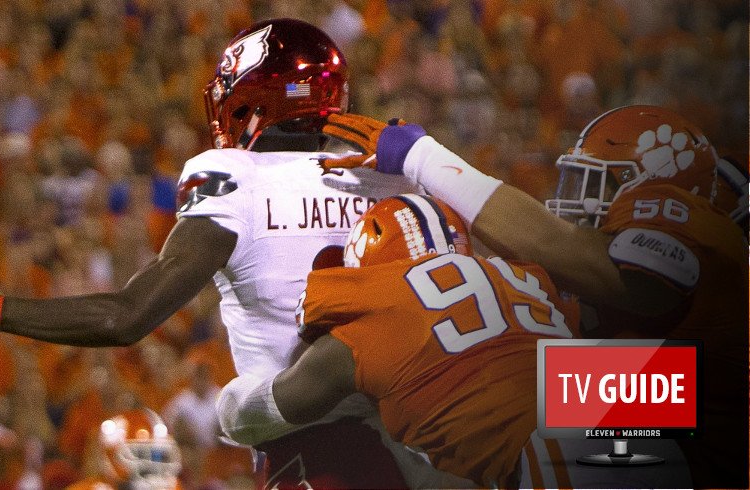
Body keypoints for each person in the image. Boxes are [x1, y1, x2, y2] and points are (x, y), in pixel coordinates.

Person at [0, 18, 451, 488]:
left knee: (234, 410)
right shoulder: (392, 176)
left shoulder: (235, 176)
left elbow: (125, 318)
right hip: (428, 444)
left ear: (257, 101)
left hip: (317, 452)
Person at [318, 105, 749, 489]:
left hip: (694, 431)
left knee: (496, 388)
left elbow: (593, 265)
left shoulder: (700, 232)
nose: (578, 204)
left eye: (595, 185)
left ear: (652, 184)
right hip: (681, 420)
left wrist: (427, 161)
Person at [217, 193, 577, 488]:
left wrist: (231, 402)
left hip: (553, 452)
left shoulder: (382, 307)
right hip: (609, 392)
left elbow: (264, 412)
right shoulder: (521, 275)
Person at [68, 408, 182, 489]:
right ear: (113, 456)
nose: (150, 463)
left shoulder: (171, 486)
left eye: (156, 454)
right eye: (140, 454)